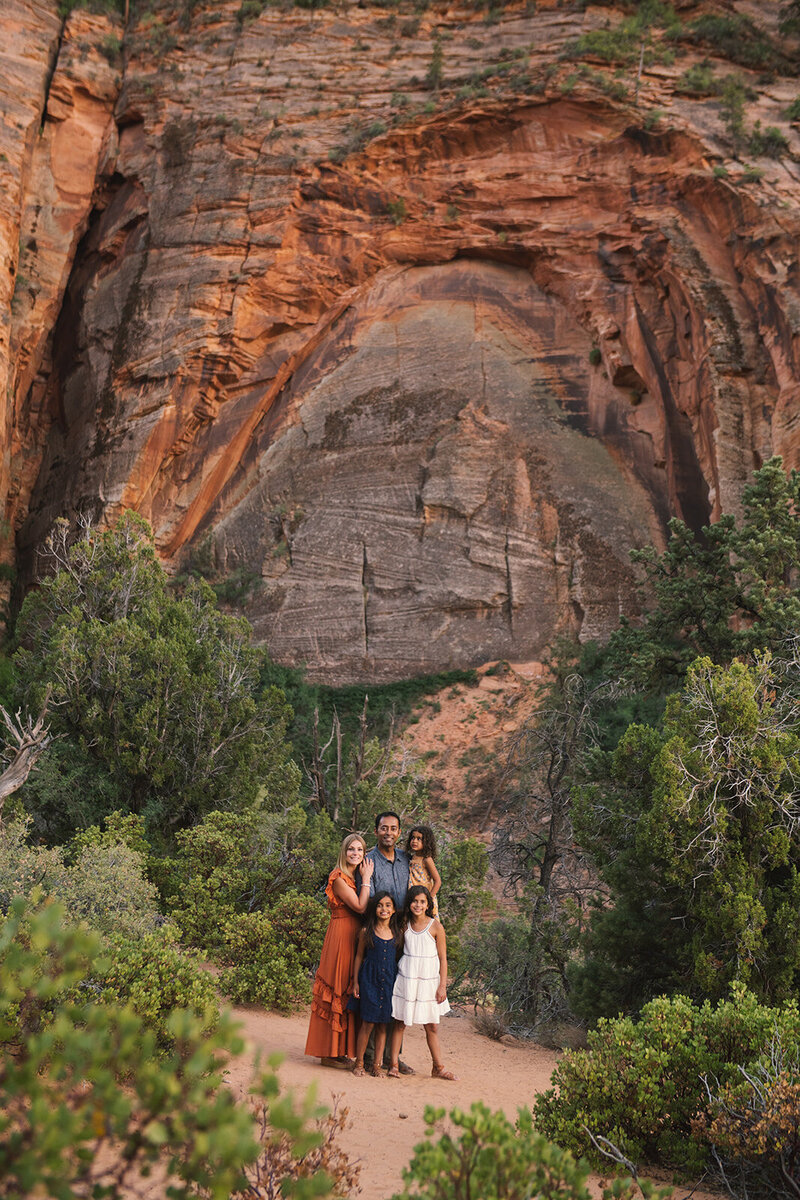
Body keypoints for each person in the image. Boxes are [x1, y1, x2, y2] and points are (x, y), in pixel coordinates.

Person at [305, 833, 374, 1068]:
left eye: (360, 850)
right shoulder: (339, 878)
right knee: (336, 986)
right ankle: (327, 1052)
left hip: (354, 936)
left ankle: (339, 1050)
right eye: (351, 849)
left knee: (347, 988)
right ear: (343, 852)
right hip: (340, 935)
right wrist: (367, 878)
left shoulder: (352, 877)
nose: (355, 854)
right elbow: (360, 906)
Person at [388, 885, 456, 1080]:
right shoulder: (404, 924)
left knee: (432, 1026)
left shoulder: (436, 926)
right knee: (400, 1022)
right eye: (414, 901)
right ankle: (393, 1065)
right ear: (409, 903)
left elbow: (443, 958)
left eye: (422, 902)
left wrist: (442, 985)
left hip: (429, 981)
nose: (418, 905)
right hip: (408, 977)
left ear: (428, 904)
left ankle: (438, 1067)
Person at [349, 891, 400, 1077]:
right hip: (369, 980)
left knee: (383, 1025)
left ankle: (377, 1065)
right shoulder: (366, 932)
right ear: (374, 909)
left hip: (389, 983)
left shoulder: (397, 933)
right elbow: (359, 956)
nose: (384, 909)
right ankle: (360, 1062)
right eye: (380, 905)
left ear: (394, 910)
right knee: (367, 1023)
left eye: (388, 905)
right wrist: (355, 982)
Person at [365, 811, 410, 908]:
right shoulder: (367, 862)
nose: (389, 833)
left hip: (409, 921)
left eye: (393, 829)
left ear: (399, 833)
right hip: (382, 921)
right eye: (384, 828)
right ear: (376, 832)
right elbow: (368, 902)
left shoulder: (407, 858)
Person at [406, 825, 441, 916]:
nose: (414, 841)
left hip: (424, 900)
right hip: (414, 898)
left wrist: (429, 899)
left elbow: (438, 881)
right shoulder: (412, 857)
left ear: (427, 842)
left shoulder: (427, 859)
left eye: (419, 839)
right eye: (413, 838)